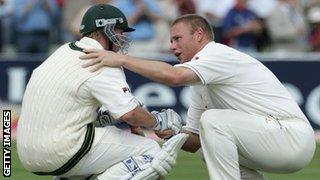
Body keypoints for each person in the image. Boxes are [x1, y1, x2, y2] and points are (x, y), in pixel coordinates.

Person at [80, 14, 316, 179]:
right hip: (273, 142)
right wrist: (168, 129)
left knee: (213, 122)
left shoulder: (216, 53)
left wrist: (120, 59)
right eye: (171, 40)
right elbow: (193, 143)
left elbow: (173, 77)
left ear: (200, 35)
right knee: (208, 145)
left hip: (291, 138)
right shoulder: (199, 80)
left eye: (177, 39)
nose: (172, 46)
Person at [17, 4, 188, 180]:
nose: (123, 37)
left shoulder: (62, 51)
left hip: (26, 153)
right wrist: (158, 122)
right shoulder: (102, 60)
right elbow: (130, 114)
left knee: (116, 158)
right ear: (106, 30)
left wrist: (106, 117)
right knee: (151, 152)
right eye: (120, 31)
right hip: (63, 150)